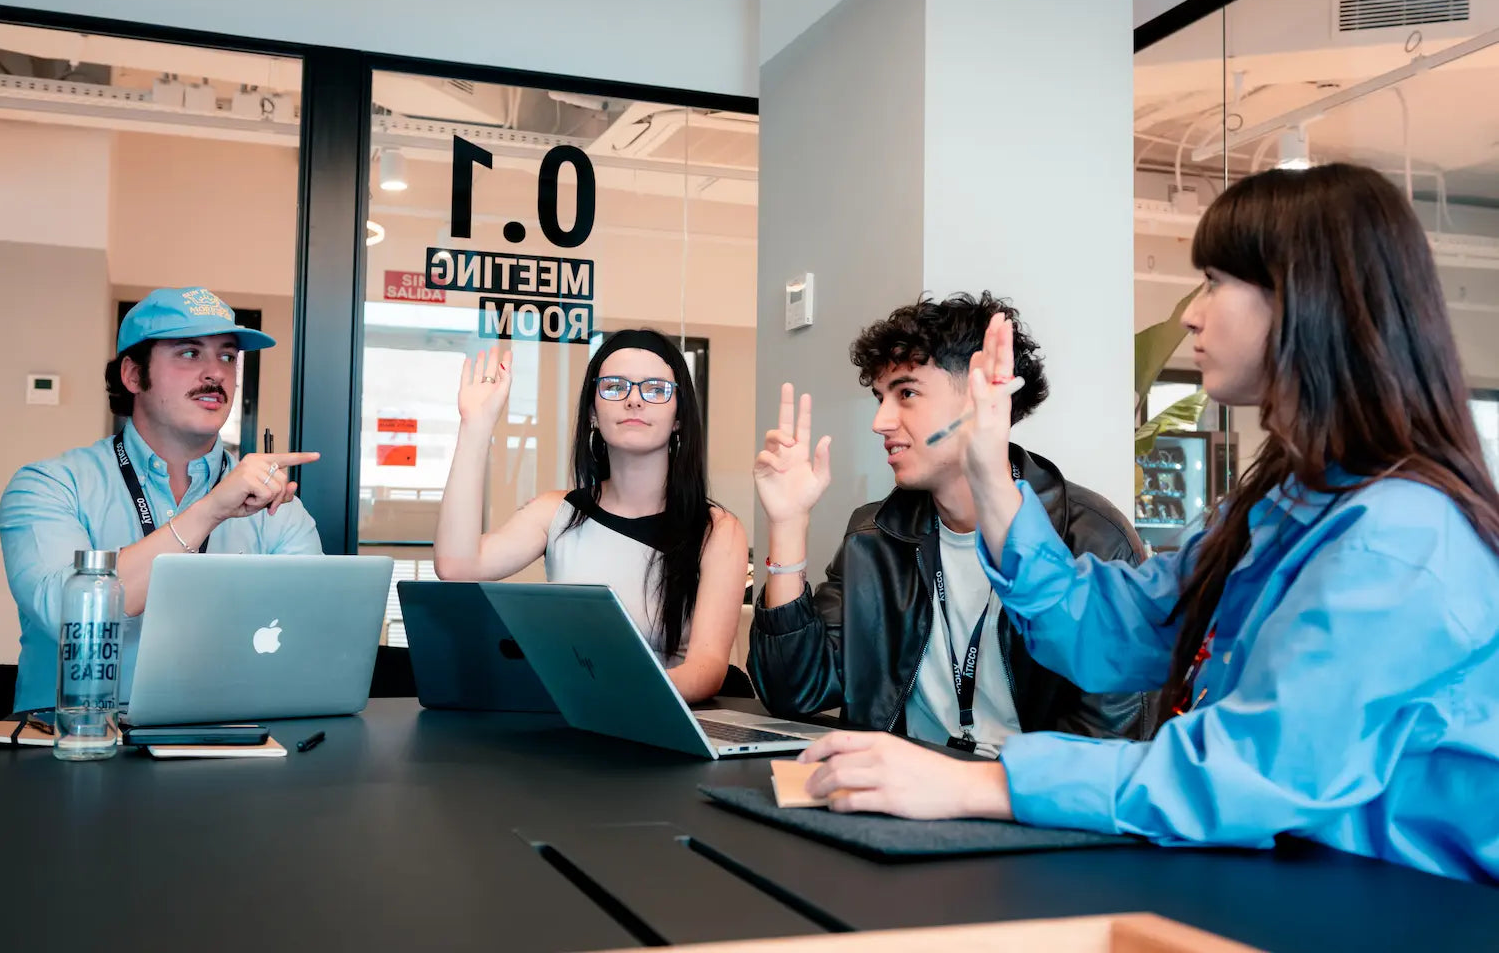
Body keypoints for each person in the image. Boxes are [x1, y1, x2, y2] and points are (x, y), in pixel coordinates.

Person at [799, 164, 1499, 884]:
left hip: (1403, 908)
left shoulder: (1402, 537)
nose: (1192, 314)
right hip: (1288, 881)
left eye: (1217, 282)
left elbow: (1250, 771)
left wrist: (977, 785)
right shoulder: (1275, 509)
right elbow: (1105, 627)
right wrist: (987, 466)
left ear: (1307, 301)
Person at [749, 293, 1155, 755]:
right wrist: (787, 524)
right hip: (904, 797)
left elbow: (1110, 749)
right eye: (881, 398)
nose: (880, 421)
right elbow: (794, 692)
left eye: (906, 394)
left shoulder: (1092, 537)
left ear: (983, 395)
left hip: (1028, 808)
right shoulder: (875, 534)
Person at [0, 287, 322, 713]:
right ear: (133, 376)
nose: (216, 374)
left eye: (227, 356)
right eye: (190, 353)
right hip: (75, 748)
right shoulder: (50, 484)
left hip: (227, 744)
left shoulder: (277, 506)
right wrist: (210, 511)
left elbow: (313, 639)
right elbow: (68, 614)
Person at [433, 329, 748, 703]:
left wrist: (613, 693)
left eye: (655, 389)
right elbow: (457, 565)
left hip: (661, 727)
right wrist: (475, 426)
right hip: (569, 726)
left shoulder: (717, 531)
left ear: (679, 417)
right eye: (615, 387)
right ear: (592, 413)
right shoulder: (558, 512)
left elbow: (707, 670)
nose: (634, 401)